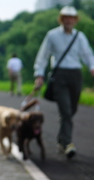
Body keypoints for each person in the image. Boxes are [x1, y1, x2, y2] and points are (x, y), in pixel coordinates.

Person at [34, 6, 94, 159]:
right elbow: (43, 56)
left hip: (76, 74)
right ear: (61, 19)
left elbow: (88, 54)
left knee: (71, 110)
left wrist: (92, 67)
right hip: (59, 75)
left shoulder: (80, 36)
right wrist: (39, 74)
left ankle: (61, 140)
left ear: (75, 20)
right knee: (66, 111)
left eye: (71, 17)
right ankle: (67, 143)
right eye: (65, 17)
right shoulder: (52, 35)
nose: (68, 20)